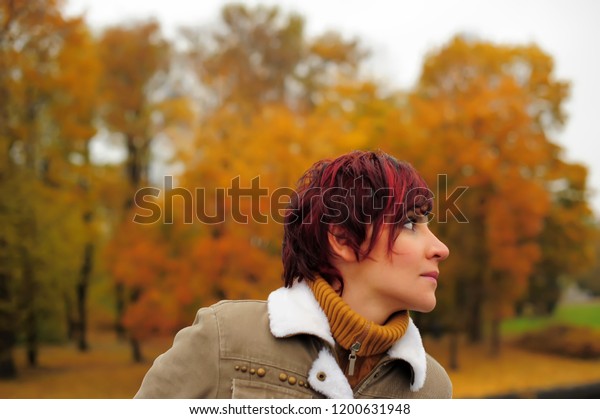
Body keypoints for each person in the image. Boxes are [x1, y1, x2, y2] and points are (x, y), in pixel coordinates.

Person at [135, 150, 452, 399]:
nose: (440, 248)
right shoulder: (223, 339)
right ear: (342, 238)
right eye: (409, 223)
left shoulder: (433, 390)